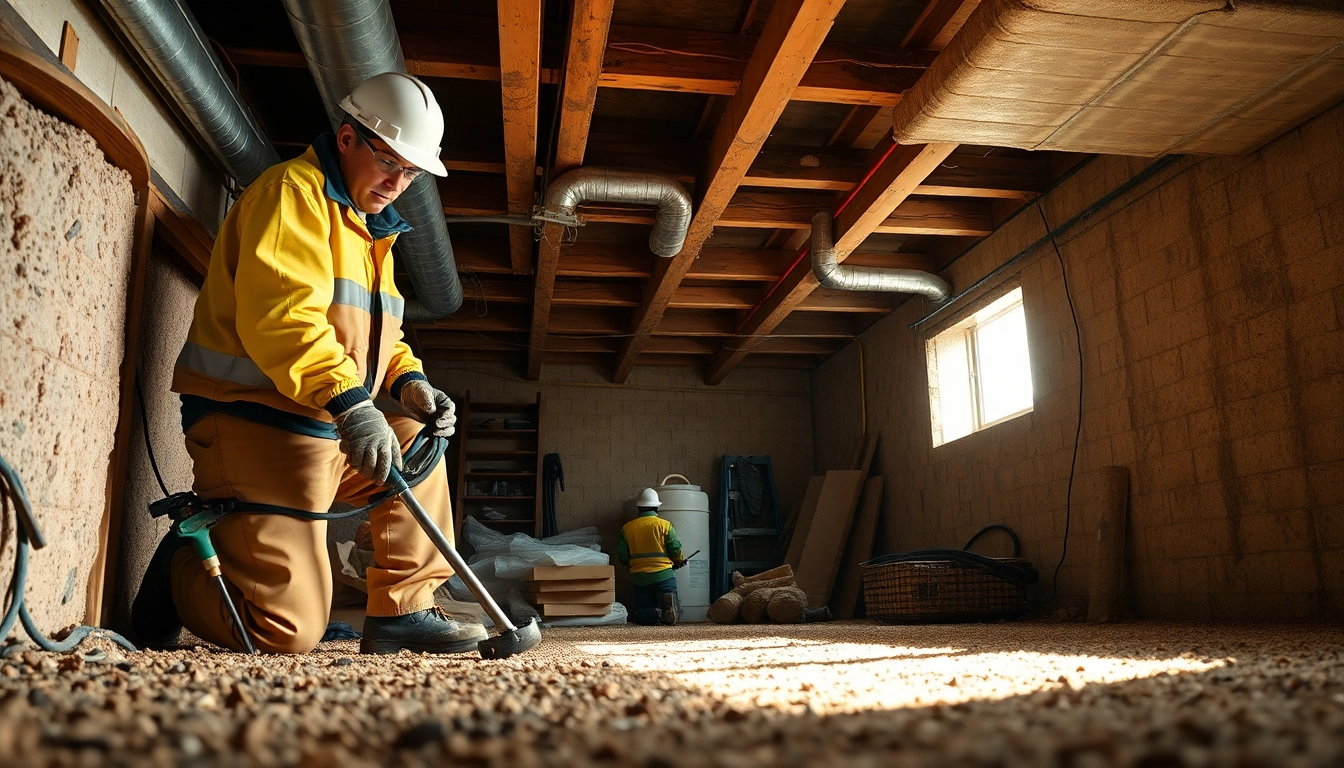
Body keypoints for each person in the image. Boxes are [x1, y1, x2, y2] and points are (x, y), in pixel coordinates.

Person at [130, 72, 484, 655]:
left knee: (416, 441)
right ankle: (181, 570)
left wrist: (409, 381)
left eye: (411, 172)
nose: (398, 183)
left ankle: (403, 612)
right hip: (253, 422)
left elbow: (377, 338)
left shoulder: (372, 232)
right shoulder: (290, 194)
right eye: (389, 161)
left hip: (327, 420)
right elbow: (283, 320)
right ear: (347, 138)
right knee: (288, 632)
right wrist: (352, 404)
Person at [617, 489, 684, 626]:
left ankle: (654, 613)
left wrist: (629, 566)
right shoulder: (665, 525)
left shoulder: (628, 528)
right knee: (672, 605)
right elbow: (674, 548)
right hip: (664, 576)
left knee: (640, 613)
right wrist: (678, 561)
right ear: (657, 507)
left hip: (639, 578)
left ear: (639, 507)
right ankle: (668, 610)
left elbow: (622, 553)